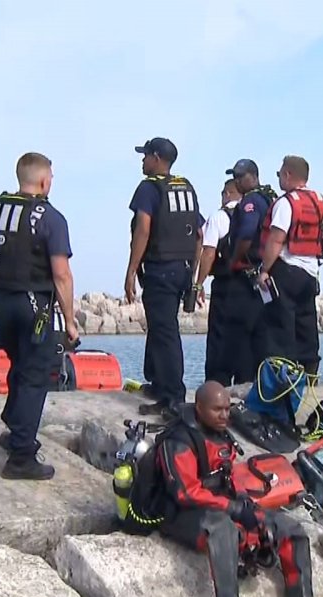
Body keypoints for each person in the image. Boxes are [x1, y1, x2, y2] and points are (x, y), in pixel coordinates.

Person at [155, 382, 323, 597]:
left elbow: (227, 475)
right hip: (177, 514)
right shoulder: (179, 440)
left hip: (215, 505)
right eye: (217, 410)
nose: (225, 415)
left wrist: (244, 503)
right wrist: (232, 508)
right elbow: (185, 492)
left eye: (227, 408)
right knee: (224, 531)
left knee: (290, 527)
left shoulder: (220, 432)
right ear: (199, 408)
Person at [0, 151, 78, 480]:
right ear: (42, 181)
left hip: (1, 306)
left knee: (21, 364)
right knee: (36, 373)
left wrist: (0, 268)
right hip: (34, 306)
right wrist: (69, 319)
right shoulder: (52, 218)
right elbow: (62, 274)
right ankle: (22, 457)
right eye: (51, 177)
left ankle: (14, 430)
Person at [124, 137, 202, 418]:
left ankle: (172, 398)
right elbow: (200, 233)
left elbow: (143, 229)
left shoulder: (149, 188)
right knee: (161, 330)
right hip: (180, 269)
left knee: (166, 333)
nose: (143, 161)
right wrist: (192, 274)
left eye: (145, 156)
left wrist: (131, 270)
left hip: (160, 269)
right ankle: (159, 385)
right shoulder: (185, 189)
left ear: (157, 158)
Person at [257, 156, 323, 377]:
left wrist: (264, 269)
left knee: (281, 322)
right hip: (310, 271)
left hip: (286, 268)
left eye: (279, 174)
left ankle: (283, 373)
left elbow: (276, 238)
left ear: (287, 175)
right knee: (306, 321)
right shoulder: (319, 200)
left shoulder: (286, 203)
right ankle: (310, 370)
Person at [210, 159, 279, 382]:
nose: (238, 181)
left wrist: (233, 259)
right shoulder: (272, 198)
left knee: (237, 333)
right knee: (259, 333)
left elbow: (247, 234)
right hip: (266, 274)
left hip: (246, 275)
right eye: (236, 177)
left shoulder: (251, 202)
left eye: (241, 177)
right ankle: (253, 381)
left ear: (253, 176)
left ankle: (237, 382)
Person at [195, 178, 243, 384]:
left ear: (228, 194)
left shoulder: (219, 217)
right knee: (245, 340)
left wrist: (198, 283)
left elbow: (209, 252)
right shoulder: (255, 216)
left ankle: (217, 385)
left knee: (219, 340)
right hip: (250, 287)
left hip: (225, 284)